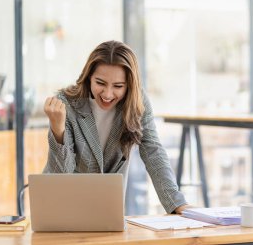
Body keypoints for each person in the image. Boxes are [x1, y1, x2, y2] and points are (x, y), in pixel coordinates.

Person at [43, 40, 189, 214]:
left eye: (118, 86)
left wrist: (177, 204)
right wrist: (58, 130)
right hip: (62, 207)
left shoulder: (137, 103)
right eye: (100, 83)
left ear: (129, 85)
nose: (107, 94)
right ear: (89, 76)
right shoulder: (66, 103)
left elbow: (153, 152)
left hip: (108, 211)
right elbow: (61, 176)